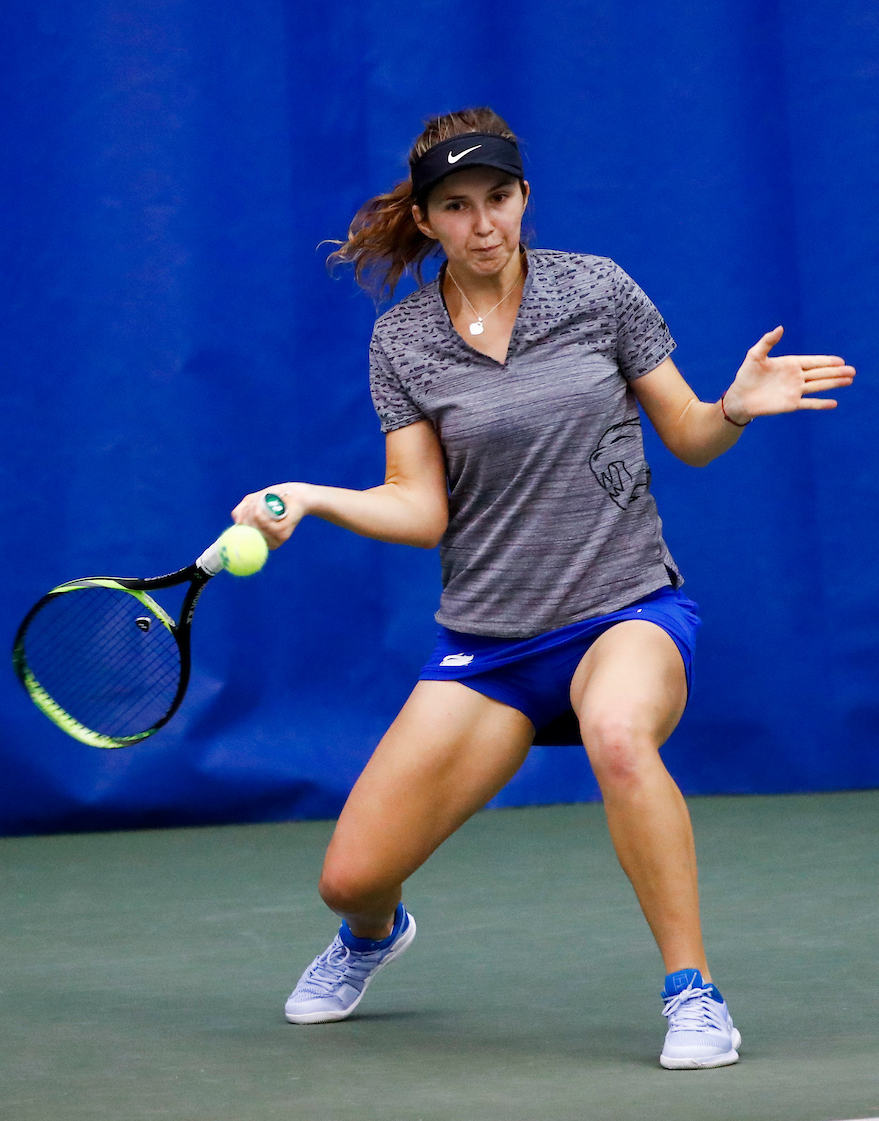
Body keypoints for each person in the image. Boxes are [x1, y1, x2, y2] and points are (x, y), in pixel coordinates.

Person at [232, 107, 855, 1069]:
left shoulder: (596, 292)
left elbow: (687, 436)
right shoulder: (403, 341)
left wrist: (732, 407)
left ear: (524, 197)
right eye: (457, 206)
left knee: (616, 736)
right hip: (491, 645)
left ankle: (693, 995)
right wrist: (314, 499)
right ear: (428, 218)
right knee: (350, 877)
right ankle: (370, 937)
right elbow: (419, 508)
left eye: (499, 198)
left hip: (624, 608)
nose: (483, 224)